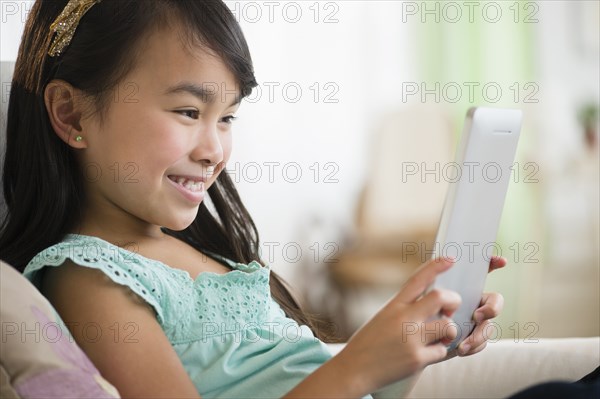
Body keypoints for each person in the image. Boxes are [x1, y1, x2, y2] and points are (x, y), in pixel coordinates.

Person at [0, 0, 505, 397]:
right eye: (186, 111)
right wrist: (357, 365)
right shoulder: (91, 278)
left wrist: (413, 342)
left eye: (227, 117)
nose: (214, 150)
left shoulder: (207, 255)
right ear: (70, 114)